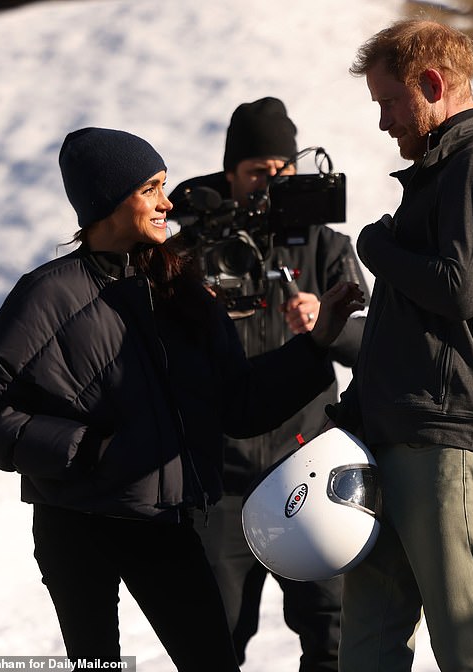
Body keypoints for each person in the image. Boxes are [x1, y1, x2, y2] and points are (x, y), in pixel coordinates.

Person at [0, 127, 364, 671]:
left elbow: (241, 404)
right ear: (107, 201)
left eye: (164, 185)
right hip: (75, 526)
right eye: (151, 188)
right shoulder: (47, 292)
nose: (168, 202)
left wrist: (317, 343)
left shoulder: (182, 288)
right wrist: (84, 450)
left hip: (167, 522)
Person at [326, 19, 473, 671]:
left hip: (448, 444)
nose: (384, 122)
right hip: (394, 440)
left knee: (468, 653)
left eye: (387, 101)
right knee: (366, 655)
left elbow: (461, 289)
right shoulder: (440, 178)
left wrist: (377, 248)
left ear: (432, 84)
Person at [169, 97, 369, 672]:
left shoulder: (327, 246)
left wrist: (327, 330)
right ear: (230, 174)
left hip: (307, 473)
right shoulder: (190, 248)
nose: (270, 185)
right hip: (219, 480)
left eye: (283, 172)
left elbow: (374, 344)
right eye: (257, 171)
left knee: (332, 636)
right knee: (214, 642)